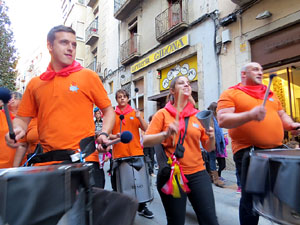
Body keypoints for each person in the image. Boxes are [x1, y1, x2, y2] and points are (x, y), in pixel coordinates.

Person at [6, 25, 115, 186]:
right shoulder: (35, 84)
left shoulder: (88, 77)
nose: (70, 48)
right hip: (47, 164)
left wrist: (104, 133)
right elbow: (22, 119)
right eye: (64, 43)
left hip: (84, 161)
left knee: (86, 212)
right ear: (49, 46)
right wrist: (17, 129)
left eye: (74, 44)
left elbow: (108, 111)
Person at [217, 62, 300, 225]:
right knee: (251, 198)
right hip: (250, 153)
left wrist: (291, 125)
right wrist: (251, 115)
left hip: (276, 151)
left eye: (261, 69)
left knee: (282, 194)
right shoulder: (231, 93)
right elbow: (223, 119)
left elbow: (282, 115)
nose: (260, 72)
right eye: (255, 69)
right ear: (243, 74)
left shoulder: (270, 93)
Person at [143, 75, 219, 225]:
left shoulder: (198, 115)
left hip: (198, 173)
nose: (186, 85)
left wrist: (211, 137)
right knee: (176, 221)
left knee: (210, 220)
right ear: (172, 91)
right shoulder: (162, 114)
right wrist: (166, 134)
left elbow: (209, 148)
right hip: (174, 175)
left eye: (188, 83)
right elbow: (145, 141)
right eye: (181, 83)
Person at [110, 89, 154, 219]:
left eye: (124, 97)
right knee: (119, 184)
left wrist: (139, 117)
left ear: (128, 98)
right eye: (119, 97)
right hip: (119, 154)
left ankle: (142, 207)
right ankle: (122, 207)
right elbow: (108, 134)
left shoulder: (135, 113)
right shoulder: (113, 115)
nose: (122, 99)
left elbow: (147, 129)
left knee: (139, 182)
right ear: (117, 100)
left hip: (135, 152)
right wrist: (115, 136)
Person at [0, 92, 22, 168]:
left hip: (24, 165)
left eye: (15, 98)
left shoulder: (26, 119)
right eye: (10, 97)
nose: (12, 99)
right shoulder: (1, 115)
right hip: (2, 166)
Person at [207, 102, 226, 188]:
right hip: (211, 143)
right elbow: (211, 130)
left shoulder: (215, 117)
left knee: (213, 160)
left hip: (216, 143)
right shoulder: (210, 117)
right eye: (217, 108)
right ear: (214, 109)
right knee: (212, 159)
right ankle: (215, 178)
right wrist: (213, 142)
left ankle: (212, 177)